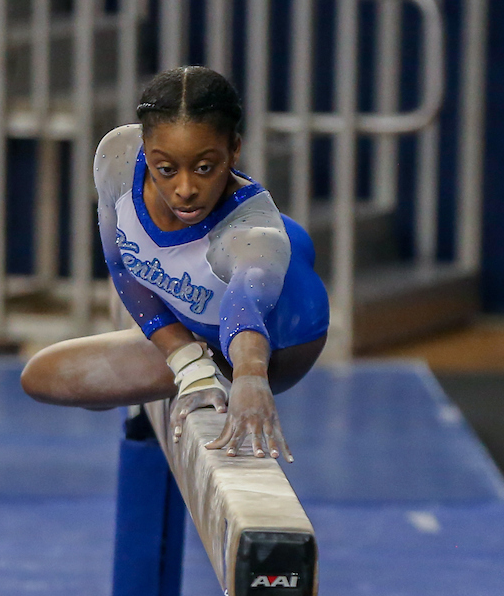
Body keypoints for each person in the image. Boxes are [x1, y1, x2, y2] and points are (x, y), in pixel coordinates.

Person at [21, 66, 329, 460]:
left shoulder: (253, 237)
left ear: (234, 150)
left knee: (253, 262)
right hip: (198, 302)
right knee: (43, 377)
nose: (185, 190)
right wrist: (182, 357)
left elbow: (245, 308)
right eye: (166, 169)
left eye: (205, 168)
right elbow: (120, 264)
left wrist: (250, 375)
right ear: (145, 149)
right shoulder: (117, 155)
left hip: (280, 334)